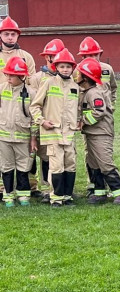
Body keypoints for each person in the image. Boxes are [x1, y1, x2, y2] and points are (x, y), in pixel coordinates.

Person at [30, 48, 80, 207]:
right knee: (56, 165)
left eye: (68, 66)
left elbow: (77, 109)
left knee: (70, 164)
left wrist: (78, 121)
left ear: (73, 68)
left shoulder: (75, 86)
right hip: (52, 132)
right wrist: (41, 121)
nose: (65, 69)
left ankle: (67, 196)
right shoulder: (48, 83)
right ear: (56, 67)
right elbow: (35, 106)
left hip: (69, 133)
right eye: (62, 66)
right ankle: (56, 198)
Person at [76, 57, 120, 205]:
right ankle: (100, 192)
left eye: (79, 74)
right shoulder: (87, 91)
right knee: (93, 164)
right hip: (92, 133)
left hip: (101, 133)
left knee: (105, 163)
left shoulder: (94, 93)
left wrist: (82, 123)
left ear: (85, 78)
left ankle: (119, 191)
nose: (76, 76)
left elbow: (98, 112)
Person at [78, 36, 119, 196]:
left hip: (103, 118)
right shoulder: (79, 71)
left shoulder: (107, 69)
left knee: (104, 154)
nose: (92, 58)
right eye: (88, 56)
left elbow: (113, 88)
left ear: (100, 54)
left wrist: (112, 104)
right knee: (90, 155)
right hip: (89, 122)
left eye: (95, 55)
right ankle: (94, 186)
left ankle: (112, 189)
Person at [0, 57, 38, 207]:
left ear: (22, 76)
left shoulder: (31, 93)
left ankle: (23, 196)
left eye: (12, 75)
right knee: (6, 166)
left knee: (24, 166)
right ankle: (8, 195)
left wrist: (33, 138)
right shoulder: (1, 89)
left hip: (24, 137)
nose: (8, 78)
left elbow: (35, 117)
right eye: (7, 74)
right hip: (4, 136)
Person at [0, 16, 36, 85]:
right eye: (6, 34)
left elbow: (32, 82)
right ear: (0, 35)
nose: (10, 37)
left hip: (20, 94)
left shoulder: (26, 57)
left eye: (13, 34)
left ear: (17, 36)